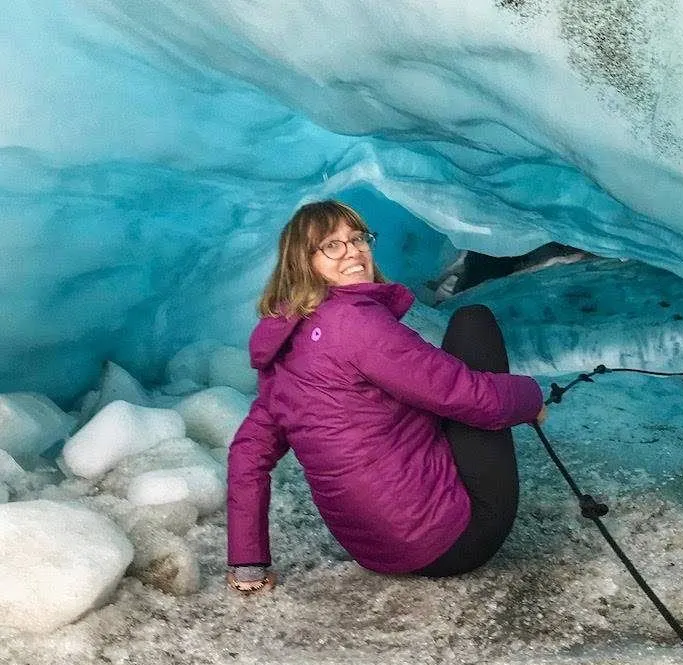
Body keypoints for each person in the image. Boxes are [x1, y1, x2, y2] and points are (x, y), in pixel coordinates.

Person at [226, 200, 546, 594]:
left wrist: (248, 566)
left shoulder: (284, 353)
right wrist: (531, 398)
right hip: (455, 542)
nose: (353, 251)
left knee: (434, 389)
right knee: (472, 324)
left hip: (374, 552)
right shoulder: (354, 321)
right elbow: (466, 395)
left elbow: (247, 455)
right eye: (332, 245)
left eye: (358, 238)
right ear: (302, 261)